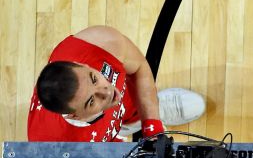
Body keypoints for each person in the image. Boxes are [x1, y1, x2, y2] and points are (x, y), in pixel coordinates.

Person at [28, 25, 205, 142]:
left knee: (136, 105)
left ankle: (145, 114)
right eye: (91, 101)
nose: (105, 91)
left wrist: (152, 124)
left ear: (83, 65)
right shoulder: (55, 147)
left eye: (94, 78)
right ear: (75, 116)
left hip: (124, 110)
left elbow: (140, 67)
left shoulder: (99, 42)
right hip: (95, 142)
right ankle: (120, 132)